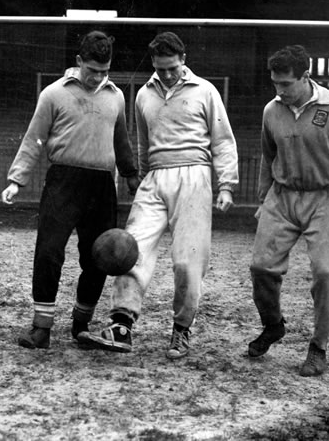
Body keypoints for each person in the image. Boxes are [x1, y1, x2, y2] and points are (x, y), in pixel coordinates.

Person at [79, 31, 239, 359]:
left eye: (173, 68)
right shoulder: (144, 96)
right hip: (155, 176)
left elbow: (223, 140)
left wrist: (226, 185)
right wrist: (137, 176)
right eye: (161, 68)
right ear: (153, 62)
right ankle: (121, 325)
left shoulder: (205, 91)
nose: (167, 74)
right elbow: (142, 139)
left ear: (183, 61)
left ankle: (181, 329)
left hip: (193, 176)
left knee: (187, 260)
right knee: (129, 248)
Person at [247, 45, 329, 376]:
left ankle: (318, 346)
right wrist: (263, 198)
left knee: (325, 273)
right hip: (282, 197)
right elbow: (268, 156)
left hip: (324, 198)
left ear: (305, 77)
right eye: (275, 83)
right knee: (261, 267)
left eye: (285, 84)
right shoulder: (272, 111)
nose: (279, 91)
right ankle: (273, 325)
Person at [1, 30, 139, 349]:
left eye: (104, 71)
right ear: (78, 62)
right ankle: (41, 327)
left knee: (99, 257)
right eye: (92, 71)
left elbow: (122, 140)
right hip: (64, 182)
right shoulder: (53, 93)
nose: (97, 78)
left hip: (101, 186)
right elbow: (34, 138)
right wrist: (16, 179)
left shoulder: (116, 96)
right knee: (49, 251)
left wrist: (131, 175)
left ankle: (82, 323)